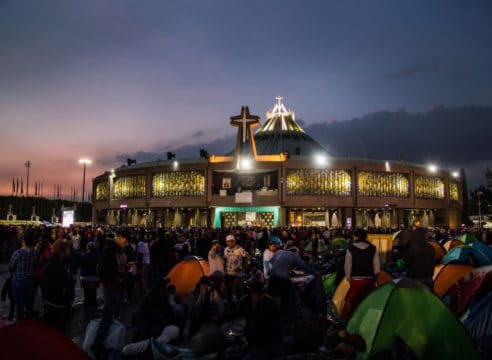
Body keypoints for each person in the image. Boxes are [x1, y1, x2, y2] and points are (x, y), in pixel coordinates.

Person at [91, 230, 129, 358]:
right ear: (119, 238)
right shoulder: (110, 251)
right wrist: (116, 278)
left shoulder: (121, 252)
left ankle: (110, 342)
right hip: (111, 288)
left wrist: (126, 268)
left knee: (113, 316)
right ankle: (98, 344)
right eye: (125, 240)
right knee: (107, 317)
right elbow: (103, 271)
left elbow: (119, 268)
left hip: (118, 288)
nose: (127, 243)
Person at [239, 281, 281, 358]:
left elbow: (272, 323)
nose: (251, 296)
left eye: (253, 294)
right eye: (251, 294)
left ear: (260, 294)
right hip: (253, 338)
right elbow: (237, 312)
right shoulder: (246, 301)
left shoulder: (270, 304)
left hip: (266, 340)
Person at [344, 229, 380, 317]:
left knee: (351, 302)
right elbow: (377, 266)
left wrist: (349, 278)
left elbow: (348, 265)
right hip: (370, 279)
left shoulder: (351, 248)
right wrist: (374, 277)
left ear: (356, 237)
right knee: (370, 301)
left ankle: (353, 319)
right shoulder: (373, 248)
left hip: (356, 279)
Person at [41, 240, 74, 332]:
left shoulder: (62, 263)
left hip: (60, 305)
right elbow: (50, 285)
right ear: (61, 251)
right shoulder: (55, 265)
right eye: (67, 249)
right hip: (56, 306)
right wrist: (64, 297)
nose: (69, 251)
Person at [8, 231, 38, 321]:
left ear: (23, 241)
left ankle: (20, 323)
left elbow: (11, 266)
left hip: (18, 280)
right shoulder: (35, 253)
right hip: (30, 280)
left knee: (19, 305)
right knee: (29, 304)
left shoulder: (18, 252)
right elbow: (35, 266)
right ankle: (28, 322)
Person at [403, 222, 435, 290]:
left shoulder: (412, 248)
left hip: (415, 277)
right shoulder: (430, 247)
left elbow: (407, 261)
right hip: (428, 277)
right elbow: (433, 261)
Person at [223, 234, 250, 305]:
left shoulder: (239, 249)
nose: (230, 242)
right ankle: (230, 306)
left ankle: (239, 306)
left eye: (232, 241)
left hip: (237, 274)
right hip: (228, 274)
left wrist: (243, 267)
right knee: (229, 291)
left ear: (235, 241)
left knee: (236, 290)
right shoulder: (225, 249)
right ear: (226, 242)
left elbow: (248, 257)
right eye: (229, 241)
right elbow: (225, 259)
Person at [80, 242, 100, 307]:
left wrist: (81, 275)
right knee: (93, 292)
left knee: (86, 292)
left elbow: (82, 266)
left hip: (86, 276)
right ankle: (93, 303)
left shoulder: (85, 255)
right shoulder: (97, 255)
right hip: (95, 276)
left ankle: (87, 304)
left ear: (87, 247)